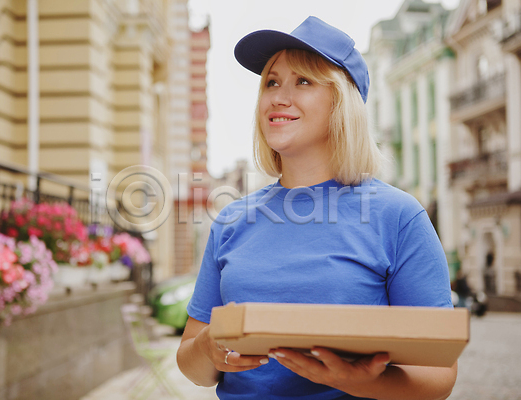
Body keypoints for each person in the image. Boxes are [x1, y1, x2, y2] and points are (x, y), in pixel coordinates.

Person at [177, 16, 457, 400]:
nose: (277, 96)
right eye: (271, 82)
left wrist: (363, 382)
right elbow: (193, 367)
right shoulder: (231, 221)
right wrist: (208, 348)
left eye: (303, 81)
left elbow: (439, 376)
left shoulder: (398, 217)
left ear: (342, 102)